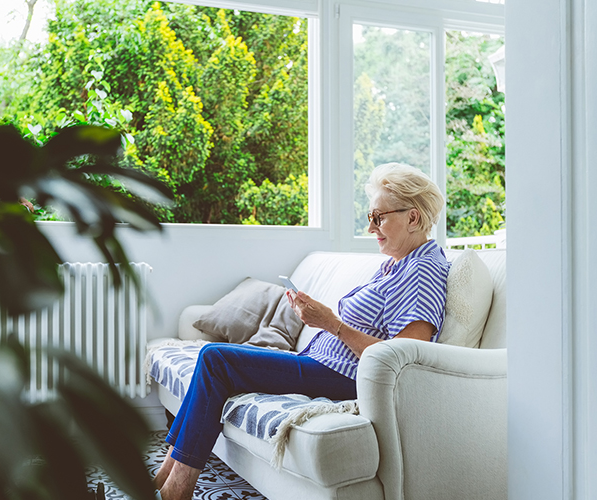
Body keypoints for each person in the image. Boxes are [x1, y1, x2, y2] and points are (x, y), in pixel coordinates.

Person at [153, 163, 450, 500]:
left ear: (413, 218)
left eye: (379, 217)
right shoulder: (396, 264)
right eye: (370, 217)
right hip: (320, 364)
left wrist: (331, 323)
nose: (371, 227)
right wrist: (319, 319)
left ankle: (177, 487)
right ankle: (168, 472)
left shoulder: (423, 271)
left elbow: (403, 362)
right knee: (214, 363)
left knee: (215, 359)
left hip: (344, 377)